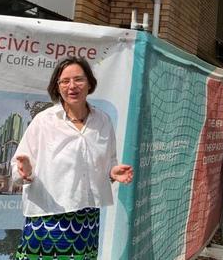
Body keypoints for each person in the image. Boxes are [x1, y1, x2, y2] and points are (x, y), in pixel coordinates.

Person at [12, 56, 133, 260]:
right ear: (57, 87)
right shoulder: (43, 121)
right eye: (65, 81)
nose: (72, 86)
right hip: (48, 215)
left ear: (90, 83)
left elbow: (107, 165)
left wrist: (112, 172)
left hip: (87, 217)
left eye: (79, 79)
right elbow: (18, 168)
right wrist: (24, 173)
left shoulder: (102, 121)